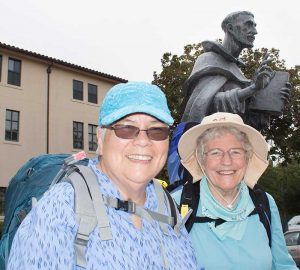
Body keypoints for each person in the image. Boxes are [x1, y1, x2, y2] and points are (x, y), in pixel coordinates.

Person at [7, 82, 202, 270]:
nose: (143, 141)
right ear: (100, 138)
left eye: (157, 130)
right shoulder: (64, 206)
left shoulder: (167, 205)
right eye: (126, 128)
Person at [173, 112, 297, 269]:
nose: (227, 161)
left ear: (247, 157)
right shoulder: (175, 206)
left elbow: (283, 266)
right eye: (215, 152)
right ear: (201, 161)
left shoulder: (264, 203)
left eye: (236, 152)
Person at [181, 11, 289, 130]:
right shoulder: (208, 59)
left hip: (236, 141)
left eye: (254, 26)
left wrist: (268, 98)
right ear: (230, 28)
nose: (255, 31)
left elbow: (246, 121)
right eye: (248, 24)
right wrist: (253, 88)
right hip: (211, 140)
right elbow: (205, 105)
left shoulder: (237, 69)